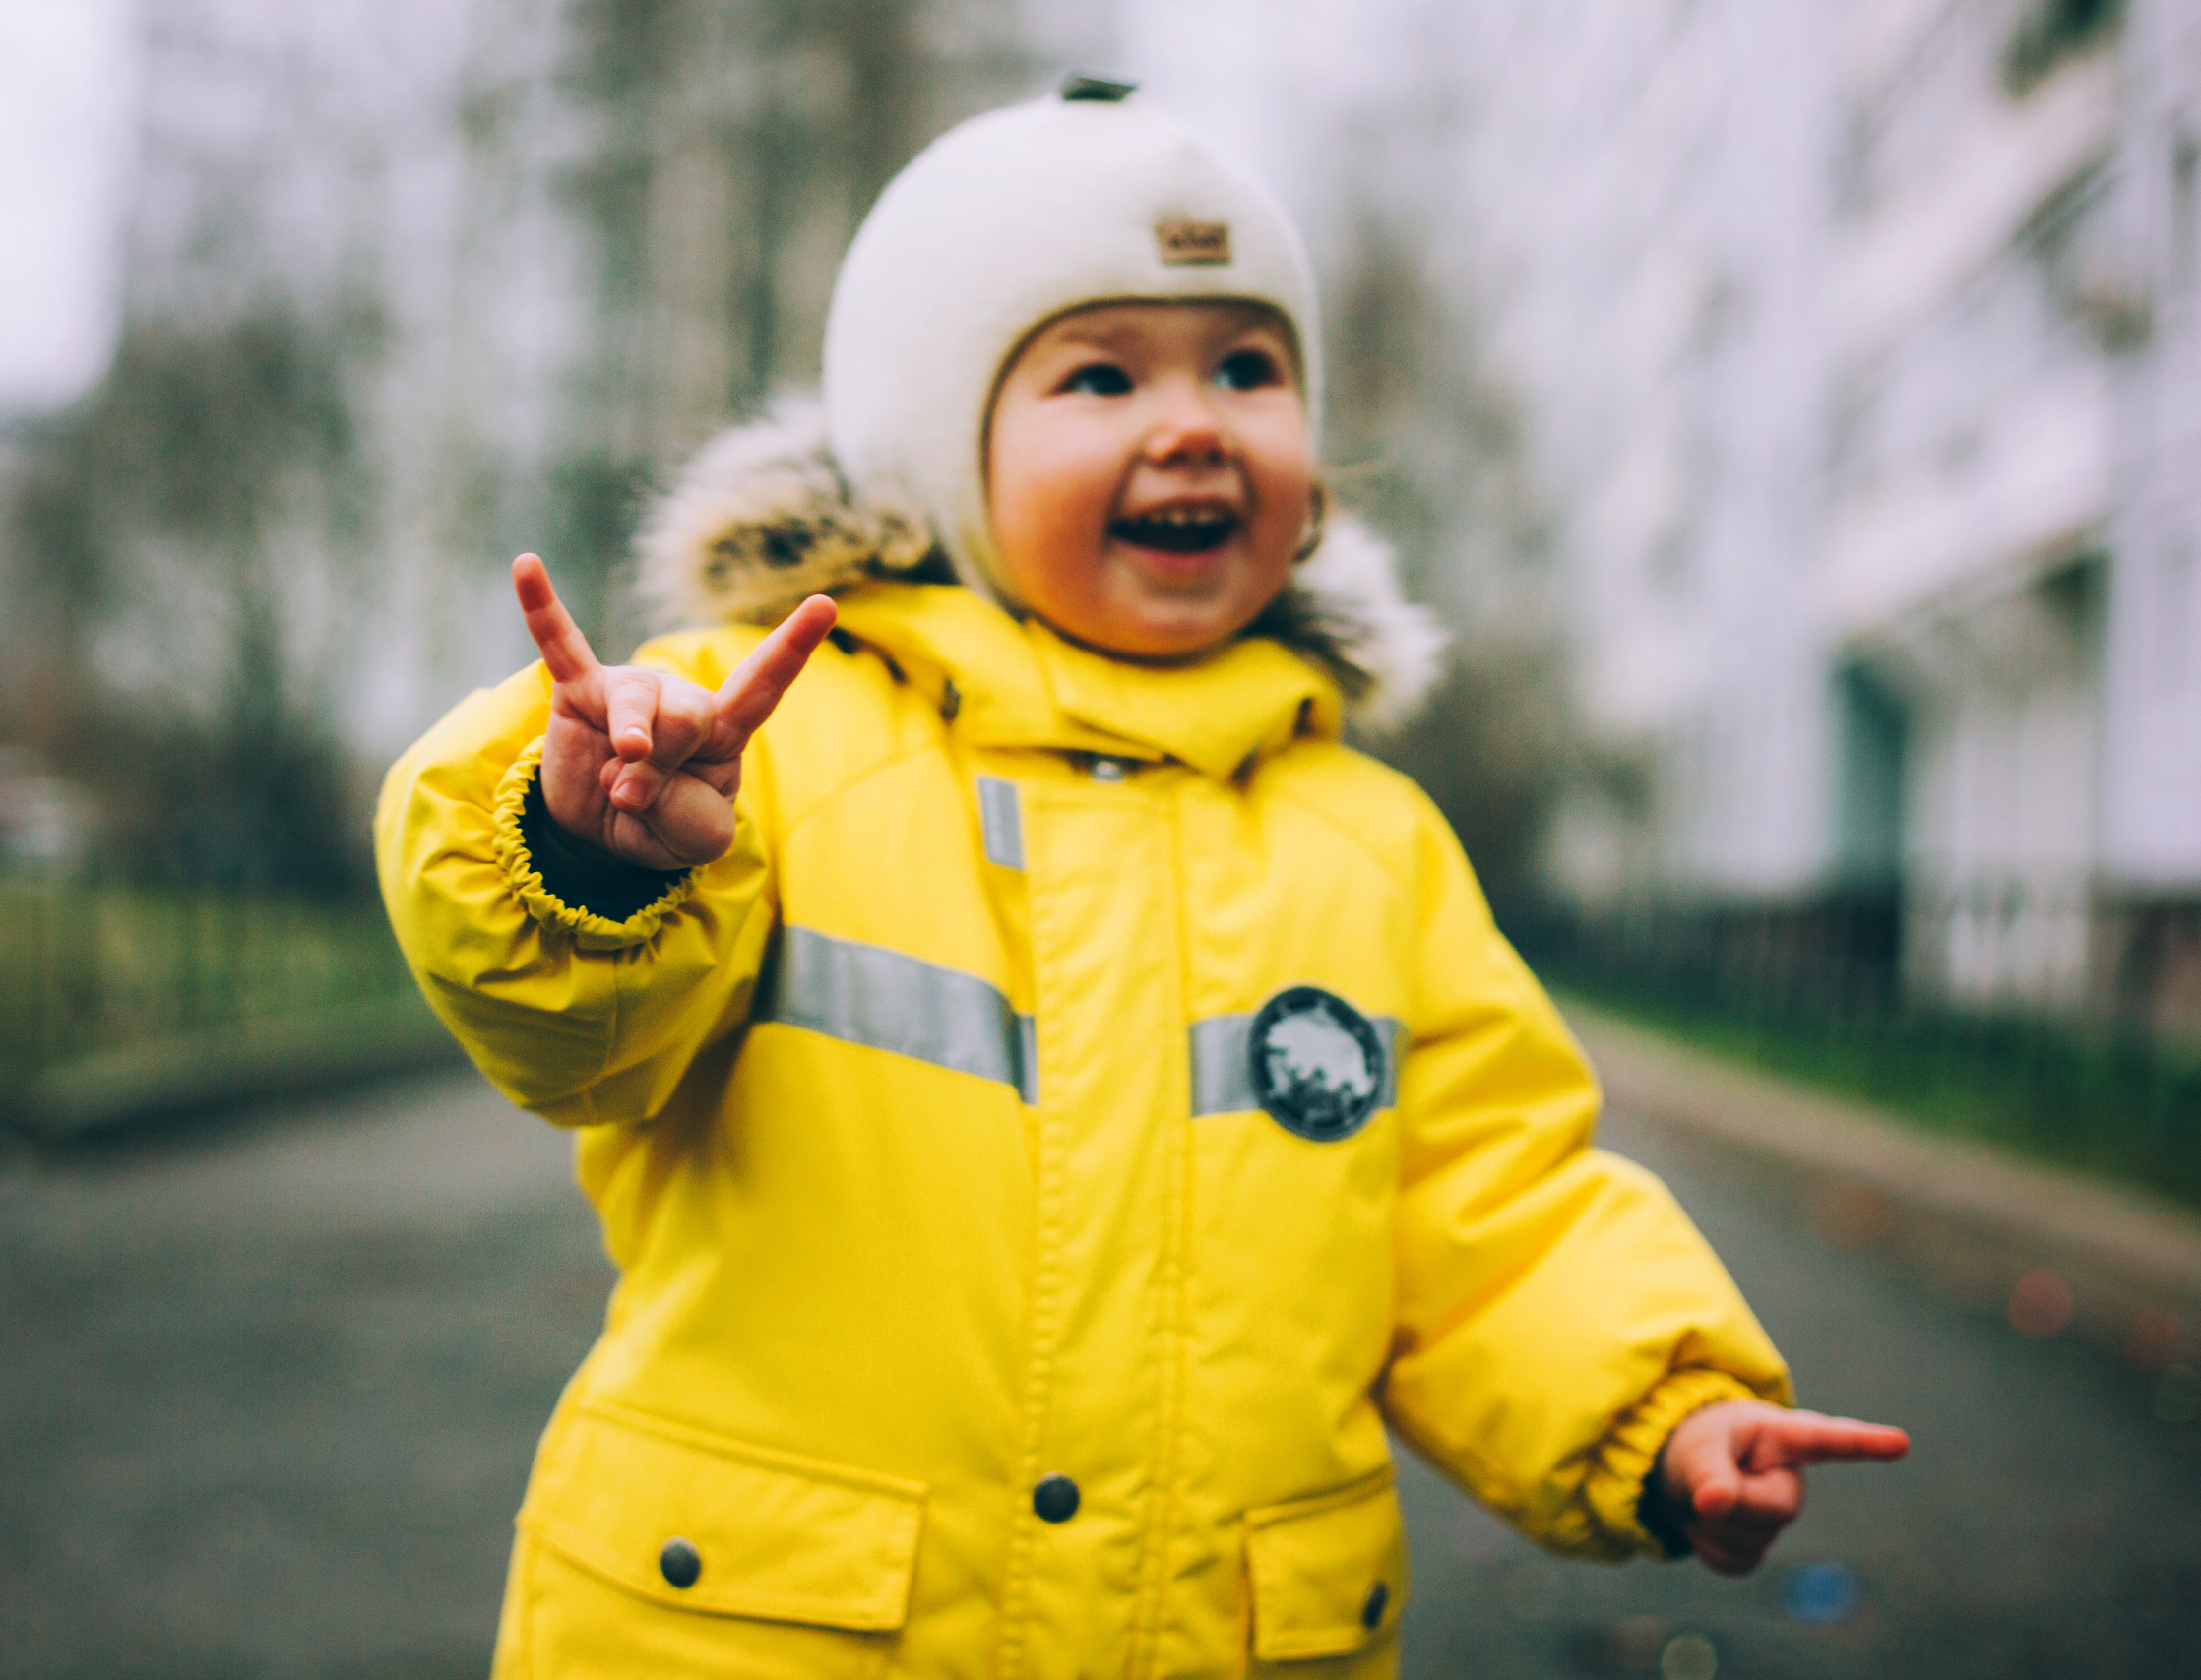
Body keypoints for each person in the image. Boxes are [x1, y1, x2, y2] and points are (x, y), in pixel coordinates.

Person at [375, 79, 1907, 1679]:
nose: (1195, 423)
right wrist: (584, 847)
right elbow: (567, 1035)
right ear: (935, 456)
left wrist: (1657, 1408)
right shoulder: (744, 741)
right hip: (776, 1629)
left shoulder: (1366, 841)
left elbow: (1489, 1209)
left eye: (1250, 367)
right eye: (1098, 375)